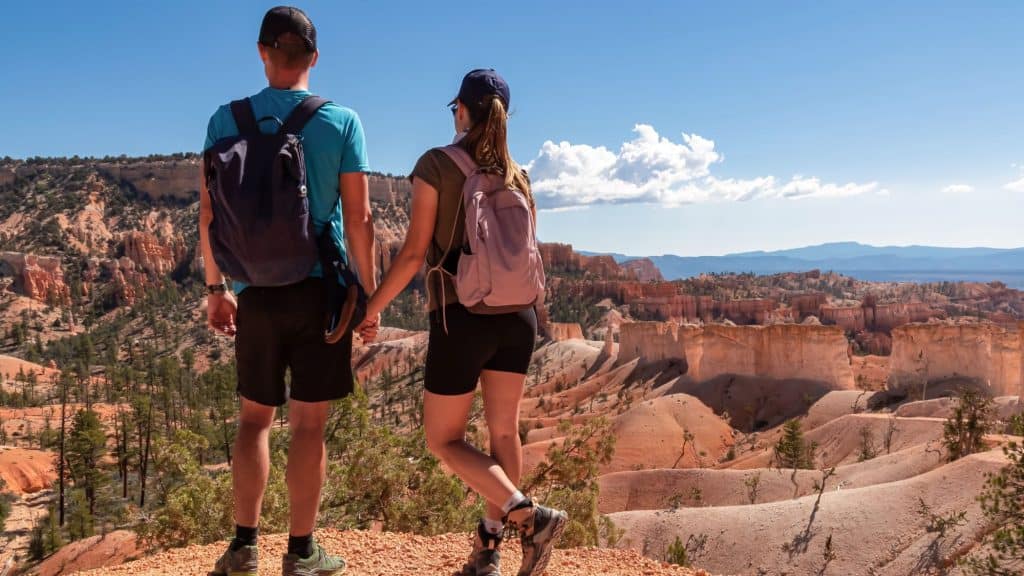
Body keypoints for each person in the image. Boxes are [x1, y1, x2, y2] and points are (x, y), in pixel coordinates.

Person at [358, 69, 566, 576]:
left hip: (461, 317)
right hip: (518, 319)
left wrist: (372, 307)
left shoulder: (436, 164)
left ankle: (528, 517)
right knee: (503, 436)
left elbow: (411, 255)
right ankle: (489, 551)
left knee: (443, 440)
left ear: (462, 111)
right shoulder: (520, 176)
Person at [199, 6, 376, 576]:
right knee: (308, 425)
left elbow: (208, 216)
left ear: (261, 52)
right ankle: (301, 553)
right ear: (315, 57)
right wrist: (367, 297)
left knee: (254, 420)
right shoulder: (341, 122)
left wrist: (215, 288)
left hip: (254, 292)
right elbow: (362, 219)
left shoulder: (224, 120)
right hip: (319, 293)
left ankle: (243, 546)